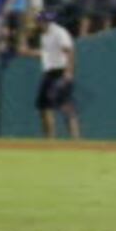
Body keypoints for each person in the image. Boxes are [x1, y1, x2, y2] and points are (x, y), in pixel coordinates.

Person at [35, 9, 81, 139]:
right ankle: (49, 138)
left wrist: (69, 72)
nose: (40, 23)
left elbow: (69, 51)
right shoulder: (44, 35)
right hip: (49, 72)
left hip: (60, 71)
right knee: (44, 107)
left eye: (43, 21)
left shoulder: (59, 32)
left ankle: (75, 138)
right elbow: (47, 54)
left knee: (66, 106)